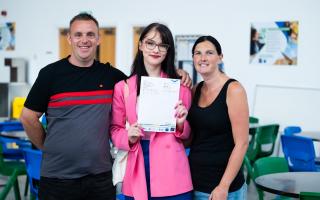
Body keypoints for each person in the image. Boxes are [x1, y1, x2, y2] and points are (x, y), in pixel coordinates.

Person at [20, 13, 191, 200]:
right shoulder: (50, 74)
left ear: (98, 39)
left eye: (90, 35)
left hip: (100, 177)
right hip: (57, 177)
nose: (84, 40)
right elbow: (28, 117)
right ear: (69, 38)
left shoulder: (113, 77)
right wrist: (48, 147)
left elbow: (144, 85)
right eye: (78, 34)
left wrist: (178, 75)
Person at [110, 23, 193, 200]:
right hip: (137, 164)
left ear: (168, 50)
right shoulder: (123, 88)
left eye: (162, 45)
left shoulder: (180, 87)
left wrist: (180, 125)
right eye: (150, 43)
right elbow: (115, 130)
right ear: (140, 45)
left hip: (173, 170)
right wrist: (128, 137)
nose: (156, 49)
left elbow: (189, 135)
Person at [187, 36, 249, 200]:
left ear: (220, 57)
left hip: (223, 188)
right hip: (194, 183)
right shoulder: (195, 90)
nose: (203, 58)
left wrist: (223, 186)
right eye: (197, 53)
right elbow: (193, 137)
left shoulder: (234, 89)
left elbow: (242, 143)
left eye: (209, 53)